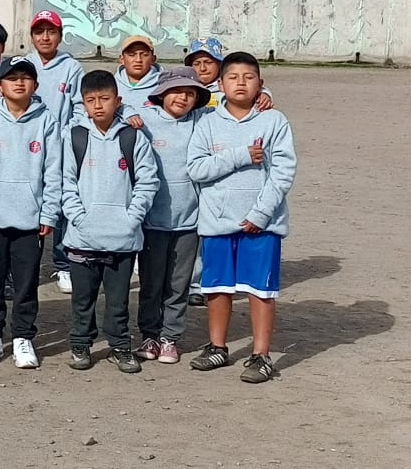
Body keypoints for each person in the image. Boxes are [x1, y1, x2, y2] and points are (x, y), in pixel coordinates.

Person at [185, 51, 296, 384]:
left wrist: (261, 214)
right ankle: (217, 346)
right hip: (218, 222)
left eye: (249, 77)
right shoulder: (207, 123)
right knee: (217, 288)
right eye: (233, 77)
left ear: (261, 84)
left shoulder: (274, 121)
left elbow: (283, 172)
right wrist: (239, 156)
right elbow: (196, 168)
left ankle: (261, 355)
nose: (241, 83)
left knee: (260, 290)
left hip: (261, 225)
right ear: (220, 84)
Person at [61, 70, 160, 373]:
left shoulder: (133, 138)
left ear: (118, 101)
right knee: (82, 298)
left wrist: (132, 218)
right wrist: (79, 217)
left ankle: (119, 345)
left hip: (122, 238)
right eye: (91, 100)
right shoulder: (74, 137)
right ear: (83, 104)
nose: (99, 106)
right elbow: (65, 182)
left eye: (105, 99)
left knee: (117, 301)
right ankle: (80, 343)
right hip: (82, 237)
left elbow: (148, 181)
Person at [0, 56, 62, 368]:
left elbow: (53, 171)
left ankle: (23, 337)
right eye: (12, 78)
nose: (19, 82)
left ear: (35, 84)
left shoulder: (46, 121)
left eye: (25, 77)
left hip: (29, 220)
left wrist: (48, 213)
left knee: (25, 282)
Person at [133, 67, 210, 365]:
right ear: (162, 94)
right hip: (152, 221)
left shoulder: (203, 122)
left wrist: (265, 98)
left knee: (178, 285)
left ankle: (170, 338)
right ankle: (149, 336)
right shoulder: (144, 121)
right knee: (151, 284)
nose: (183, 98)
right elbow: (114, 107)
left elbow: (233, 109)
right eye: (177, 91)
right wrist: (127, 116)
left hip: (189, 222)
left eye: (190, 93)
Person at [24, 10, 85, 294]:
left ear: (60, 36)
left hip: (60, 147)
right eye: (39, 32)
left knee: (60, 207)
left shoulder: (71, 67)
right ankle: (27, 264)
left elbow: (79, 108)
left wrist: (63, 135)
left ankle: (62, 265)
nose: (45, 37)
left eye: (51, 32)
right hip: (28, 147)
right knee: (31, 202)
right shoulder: (24, 64)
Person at [116, 35, 162, 127]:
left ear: (153, 59)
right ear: (122, 59)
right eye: (131, 55)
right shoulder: (110, 85)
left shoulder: (164, 85)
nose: (138, 60)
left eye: (144, 55)